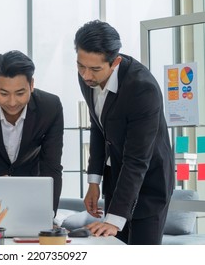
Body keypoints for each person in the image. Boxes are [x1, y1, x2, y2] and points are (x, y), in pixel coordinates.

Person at [74, 20, 174, 245]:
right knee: (113, 249)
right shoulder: (87, 77)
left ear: (115, 62)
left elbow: (137, 159)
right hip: (117, 179)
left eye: (95, 69)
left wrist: (115, 218)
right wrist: (93, 181)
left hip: (149, 183)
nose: (86, 75)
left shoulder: (141, 89)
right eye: (81, 66)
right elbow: (99, 127)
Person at [0, 50, 64, 213]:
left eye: (20, 93)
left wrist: (49, 215)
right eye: (4, 93)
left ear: (32, 85)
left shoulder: (50, 107)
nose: (13, 102)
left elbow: (51, 166)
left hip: (32, 189)